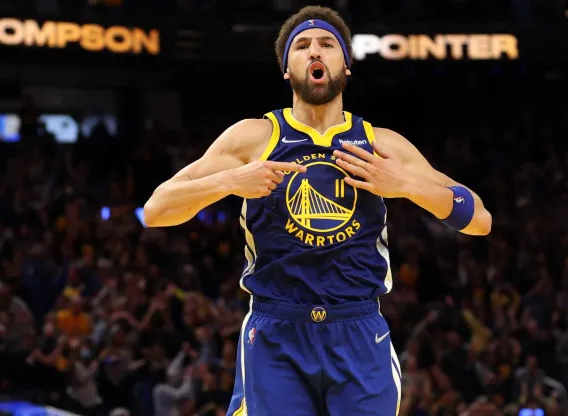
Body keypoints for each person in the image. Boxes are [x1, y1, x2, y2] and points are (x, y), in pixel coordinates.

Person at [143, 5, 492, 416]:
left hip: (358, 330)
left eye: (327, 44)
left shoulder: (379, 143)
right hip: (276, 333)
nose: (315, 52)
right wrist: (232, 182)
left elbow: (480, 219)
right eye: (302, 45)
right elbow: (156, 210)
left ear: (345, 66)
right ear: (287, 70)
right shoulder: (254, 137)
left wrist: (405, 186)